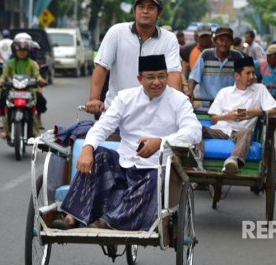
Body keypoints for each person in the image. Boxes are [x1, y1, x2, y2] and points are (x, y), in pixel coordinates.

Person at [52, 55, 202, 230]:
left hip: (157, 168)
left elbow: (194, 131)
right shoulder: (125, 98)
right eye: (151, 77)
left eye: (161, 76)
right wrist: (87, 148)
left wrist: (161, 142)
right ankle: (72, 217)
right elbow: (102, 126)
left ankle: (109, 222)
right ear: (139, 79)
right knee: (98, 154)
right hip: (124, 164)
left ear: (167, 77)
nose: (157, 82)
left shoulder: (179, 100)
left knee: (157, 177)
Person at [86, 0, 182, 114]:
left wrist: (175, 107)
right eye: (141, 7)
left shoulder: (169, 39)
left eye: (151, 8)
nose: (145, 11)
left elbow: (173, 74)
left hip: (153, 113)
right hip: (116, 110)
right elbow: (102, 67)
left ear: (159, 13)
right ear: (134, 11)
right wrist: (94, 99)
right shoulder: (116, 32)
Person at [202, 56, 276, 174]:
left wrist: (258, 112)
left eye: (253, 73)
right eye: (248, 73)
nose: (252, 76)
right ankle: (196, 162)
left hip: (241, 133)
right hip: (221, 130)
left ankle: (233, 161)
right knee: (196, 129)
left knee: (248, 131)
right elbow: (214, 119)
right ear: (237, 76)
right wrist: (229, 116)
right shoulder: (224, 92)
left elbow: (274, 110)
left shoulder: (260, 89)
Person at [0, 38, 46, 139]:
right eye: (20, 50)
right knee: (6, 106)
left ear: (28, 52)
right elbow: (4, 75)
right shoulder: (10, 63)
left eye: (24, 51)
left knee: (35, 107)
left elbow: (37, 75)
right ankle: (6, 130)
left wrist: (40, 80)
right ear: (15, 51)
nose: (22, 53)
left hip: (29, 90)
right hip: (13, 90)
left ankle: (35, 132)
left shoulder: (32, 63)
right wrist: (1, 81)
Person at [187, 27, 243, 103]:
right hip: (208, 104)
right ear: (215, 42)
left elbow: (245, 76)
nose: (224, 43)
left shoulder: (237, 56)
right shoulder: (206, 55)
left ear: (231, 43)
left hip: (230, 104)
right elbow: (193, 77)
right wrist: (190, 91)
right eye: (221, 40)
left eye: (228, 40)